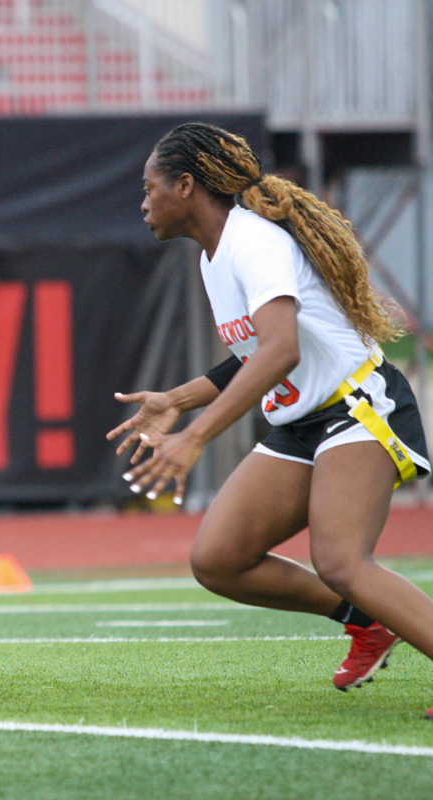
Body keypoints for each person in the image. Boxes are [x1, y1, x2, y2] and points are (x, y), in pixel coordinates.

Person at [109, 121, 433, 719]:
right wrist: (177, 399)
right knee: (219, 559)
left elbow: (280, 350)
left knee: (340, 560)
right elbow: (252, 355)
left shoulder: (252, 241)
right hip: (307, 423)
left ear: (186, 186)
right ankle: (368, 621)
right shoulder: (213, 257)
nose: (143, 203)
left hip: (357, 407)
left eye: (150, 188)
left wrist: (195, 437)